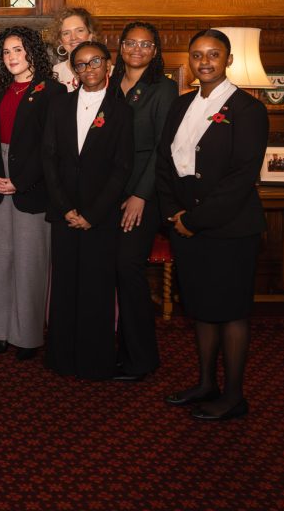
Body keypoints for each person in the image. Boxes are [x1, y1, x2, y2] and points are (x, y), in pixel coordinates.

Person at [156, 28, 269, 421]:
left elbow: (241, 176)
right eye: (198, 55)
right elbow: (164, 163)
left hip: (230, 229)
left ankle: (234, 396)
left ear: (228, 60)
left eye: (214, 55)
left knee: (231, 312)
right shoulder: (180, 104)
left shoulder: (248, 110)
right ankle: (206, 383)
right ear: (190, 61)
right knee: (201, 309)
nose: (205, 62)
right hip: (185, 226)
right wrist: (173, 215)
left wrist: (195, 220)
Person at [42, 41, 135, 378]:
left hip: (101, 214)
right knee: (65, 287)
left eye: (95, 61)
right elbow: (48, 159)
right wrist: (65, 207)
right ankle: (62, 358)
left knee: (96, 288)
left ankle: (95, 362)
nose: (88, 69)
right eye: (80, 64)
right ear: (74, 71)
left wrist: (93, 214)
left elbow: (122, 167)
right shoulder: (59, 105)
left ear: (108, 65)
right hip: (63, 211)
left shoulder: (121, 110)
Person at [0, 26, 65, 360]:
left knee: (30, 263)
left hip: (32, 184)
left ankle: (27, 337)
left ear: (32, 52)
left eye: (19, 50)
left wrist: (22, 179)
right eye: (6, 52)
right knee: (0, 260)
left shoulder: (52, 91)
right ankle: (0, 332)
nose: (12, 57)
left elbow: (52, 147)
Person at [108, 22, 179, 381]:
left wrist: (140, 195)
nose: (137, 49)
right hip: (109, 194)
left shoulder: (163, 89)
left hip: (142, 195)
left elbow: (163, 149)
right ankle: (116, 350)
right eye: (131, 43)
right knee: (111, 273)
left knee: (128, 268)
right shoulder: (109, 85)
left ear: (155, 51)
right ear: (120, 47)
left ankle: (142, 357)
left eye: (145, 44)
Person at [50, 7, 100, 92]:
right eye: (66, 33)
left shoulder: (109, 71)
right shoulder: (54, 73)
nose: (73, 37)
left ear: (91, 35)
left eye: (80, 31)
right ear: (60, 41)